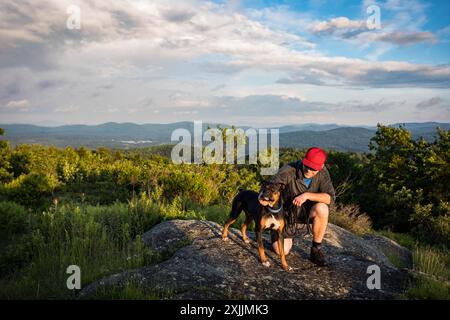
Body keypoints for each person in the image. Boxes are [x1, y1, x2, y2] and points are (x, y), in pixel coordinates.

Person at [269, 147, 335, 266]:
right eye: (307, 166)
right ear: (303, 160)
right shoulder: (288, 170)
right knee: (281, 250)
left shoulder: (323, 172)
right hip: (286, 217)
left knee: (322, 208)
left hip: (307, 214)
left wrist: (307, 195)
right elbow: (270, 190)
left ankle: (316, 249)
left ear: (321, 167)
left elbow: (330, 198)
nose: (309, 171)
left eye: (313, 169)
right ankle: (282, 235)